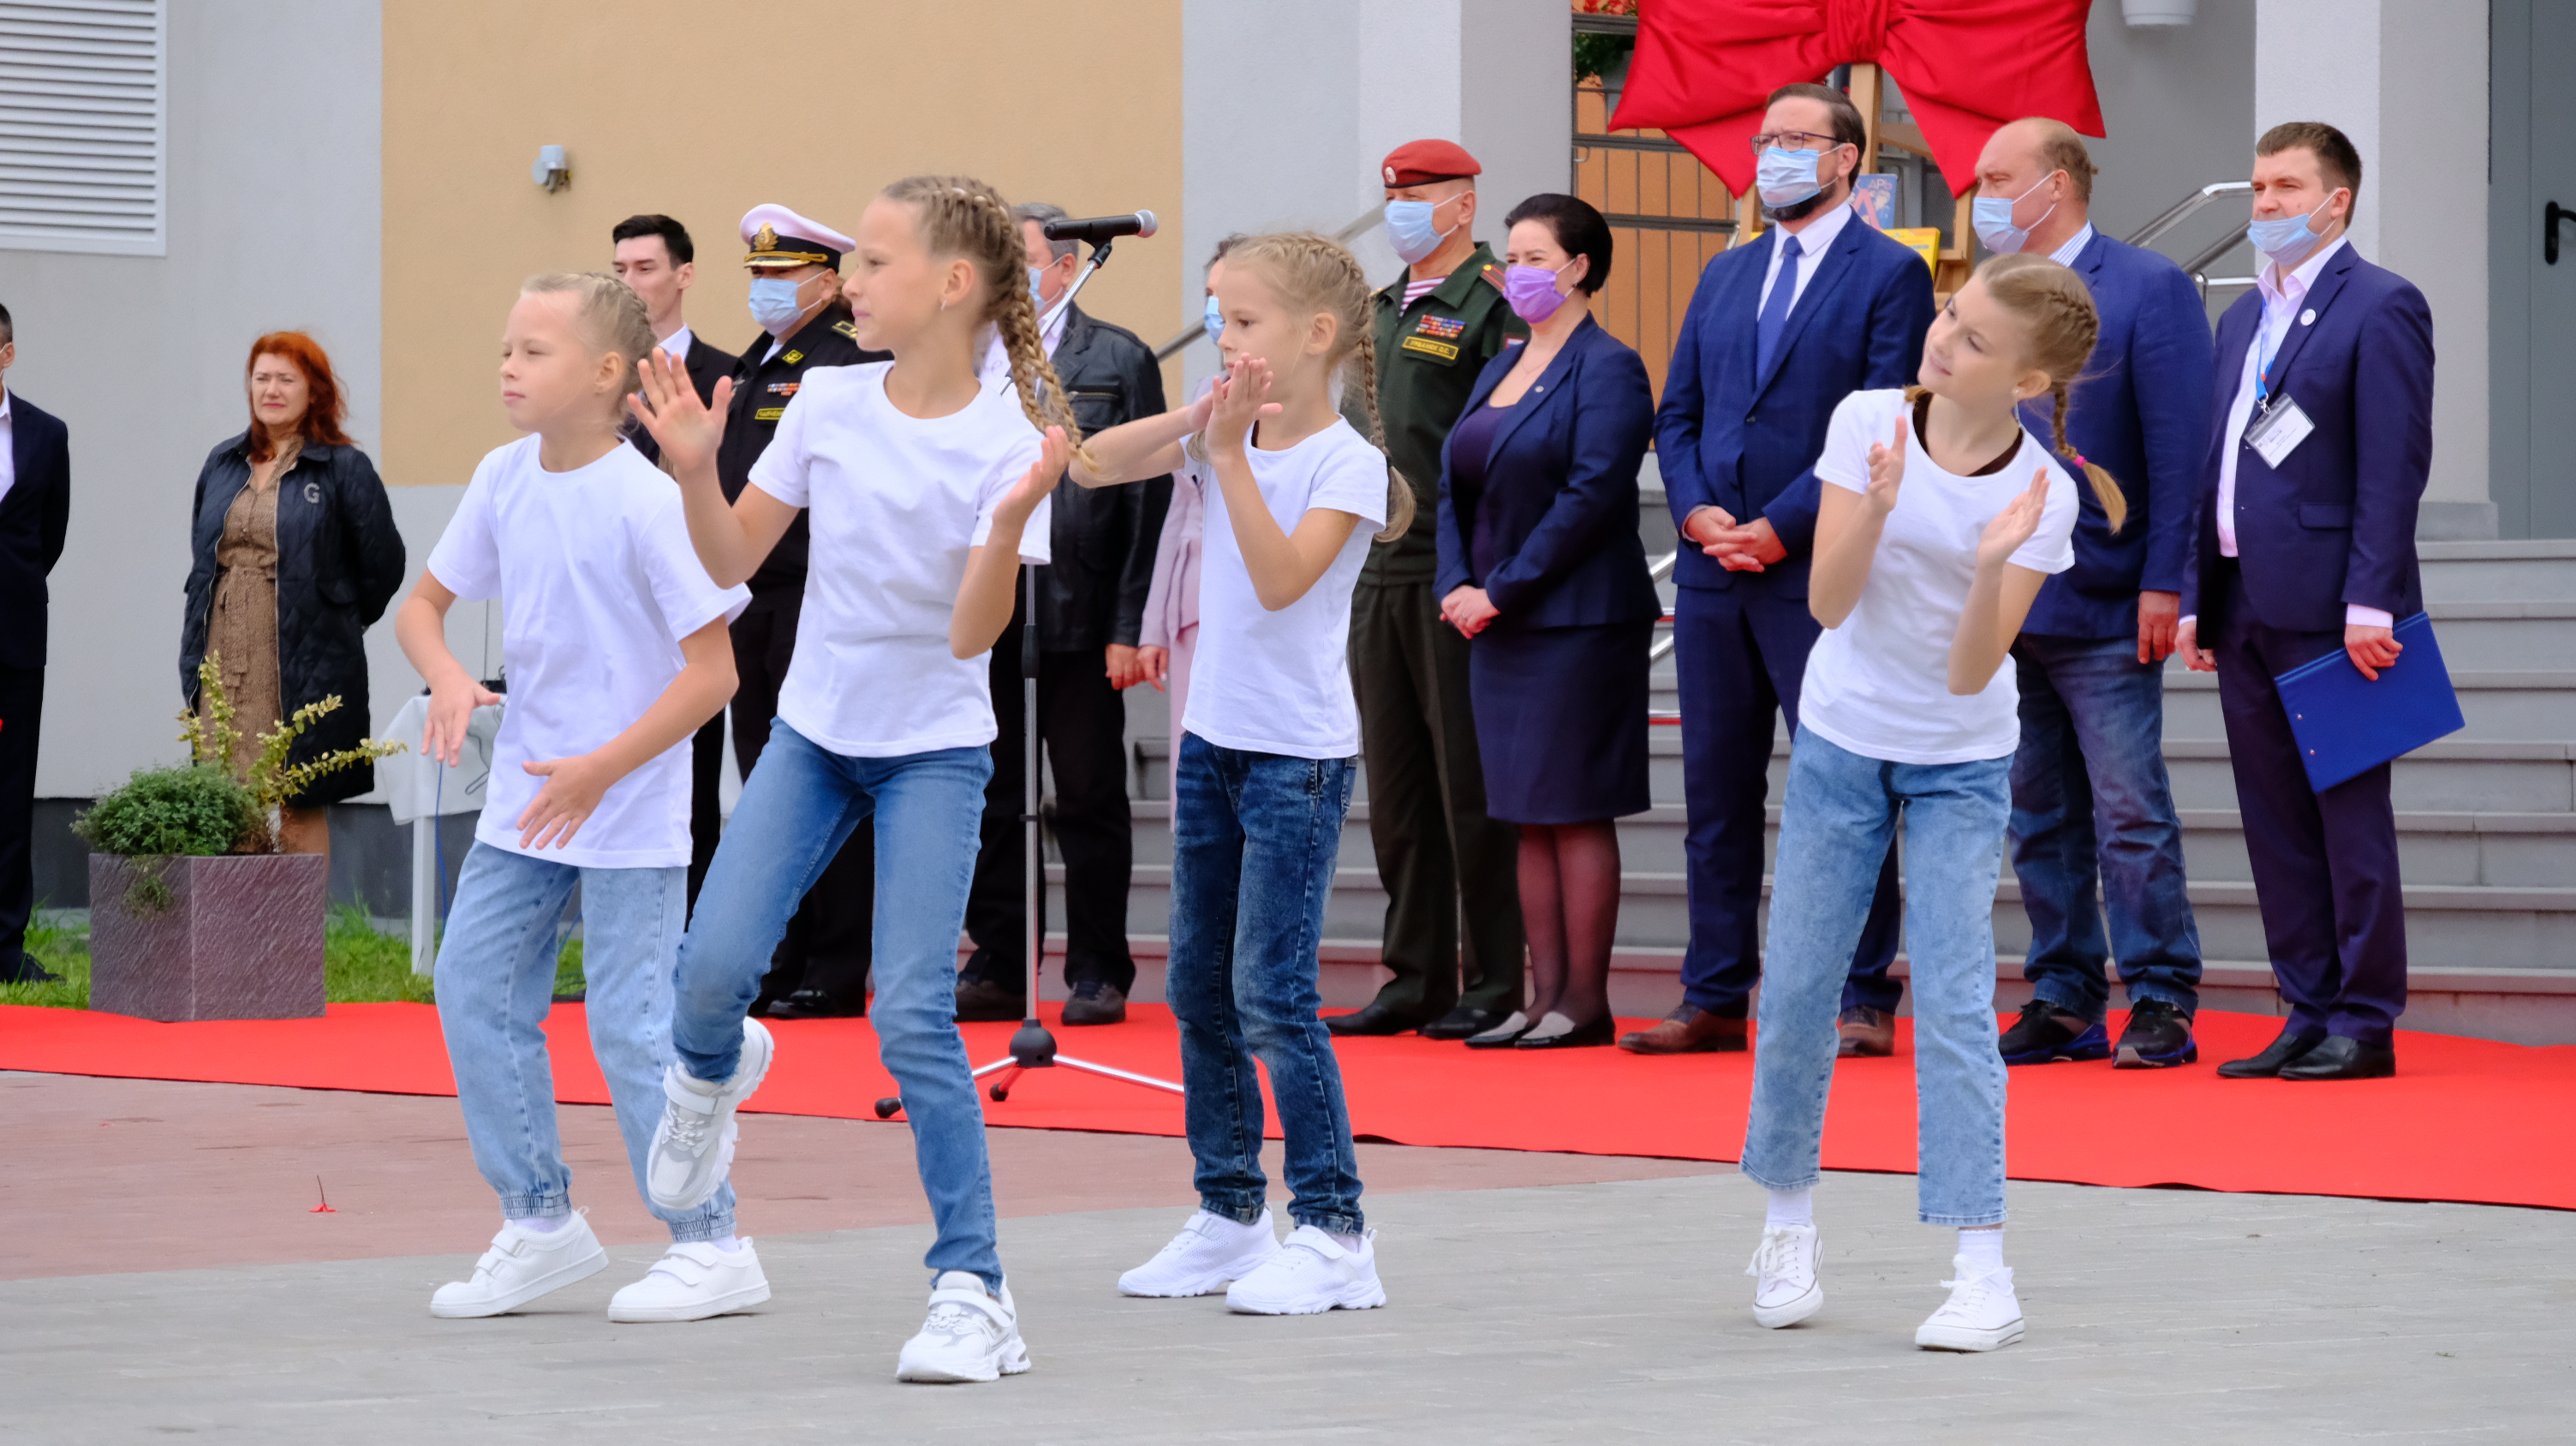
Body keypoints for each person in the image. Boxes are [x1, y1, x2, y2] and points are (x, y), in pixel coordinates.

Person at [633, 173, 1074, 1383]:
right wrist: (693, 468)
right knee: (708, 973)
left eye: (875, 263)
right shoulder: (826, 399)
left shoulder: (1008, 439)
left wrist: (1007, 523)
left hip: (934, 747)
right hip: (815, 735)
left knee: (911, 1013)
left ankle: (974, 1291)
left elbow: (974, 635)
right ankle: (712, 1073)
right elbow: (733, 556)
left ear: (954, 283)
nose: (851, 282)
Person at [1740, 252, 2094, 1355]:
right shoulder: (1865, 422)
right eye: (1949, 315)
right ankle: (1785, 1225)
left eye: (1974, 339)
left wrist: (1989, 564)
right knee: (1797, 984)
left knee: (1951, 999)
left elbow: (1969, 669)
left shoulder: (2043, 496)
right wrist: (1875, 509)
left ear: (2026, 382)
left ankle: (1981, 1269)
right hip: (1841, 737)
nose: (1942, 339)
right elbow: (1824, 601)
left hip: (1960, 758)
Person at [394, 272, 755, 1324]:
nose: (507, 367)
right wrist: (448, 676)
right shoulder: (502, 475)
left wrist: (602, 767)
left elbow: (714, 674)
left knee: (629, 1025)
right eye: (506, 348)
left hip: (628, 810)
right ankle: (540, 1218)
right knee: (471, 986)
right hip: (525, 802)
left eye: (533, 351)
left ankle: (711, 1237)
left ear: (605, 373)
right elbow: (422, 606)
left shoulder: (650, 502)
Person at [1070, 231, 1406, 1314]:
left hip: (1295, 757)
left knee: (1273, 994)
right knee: (1196, 989)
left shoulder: (1344, 462)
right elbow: (1090, 462)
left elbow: (1276, 579)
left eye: (1245, 320)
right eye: (1216, 315)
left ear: (1316, 335)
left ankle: (1335, 1230)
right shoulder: (1225, 432)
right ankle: (1228, 1212)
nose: (1224, 336)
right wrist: (1201, 424)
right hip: (1211, 741)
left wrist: (1223, 458)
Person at [1638, 81, 1935, 1059]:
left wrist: (1783, 524)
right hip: (1712, 570)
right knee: (1716, 796)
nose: (1772, 155)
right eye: (1764, 138)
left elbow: (1891, 417)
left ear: (1846, 158)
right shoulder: (1726, 272)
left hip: (1819, 568)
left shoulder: (1889, 273)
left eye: (1795, 139)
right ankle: (1715, 992)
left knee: (1844, 786)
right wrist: (1694, 511)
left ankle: (1861, 993)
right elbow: (1678, 412)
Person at [2179, 122, 2433, 1084]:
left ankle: (2363, 1019)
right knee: (2273, 819)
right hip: (2242, 597)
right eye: (2256, 187)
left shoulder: (2381, 304)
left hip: (2333, 606)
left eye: (2285, 187)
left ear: (2337, 201)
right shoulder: (2241, 317)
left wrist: (2372, 599)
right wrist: (2199, 594)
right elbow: (2215, 463)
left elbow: (2392, 467)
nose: (2264, 204)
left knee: (2347, 814)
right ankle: (2306, 1007)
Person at [1966, 119, 2214, 1070]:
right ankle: (2064, 995)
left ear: (2058, 182)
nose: (1982, 196)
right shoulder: (1987, 292)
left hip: (2109, 597)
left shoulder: (2146, 286)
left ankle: (2160, 993)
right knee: (2036, 814)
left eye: (1999, 178)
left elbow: (2180, 448)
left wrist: (2167, 580)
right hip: (2007, 603)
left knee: (2128, 810)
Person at [1434, 194, 1658, 1050]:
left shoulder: (1609, 367)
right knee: (1526, 809)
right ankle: (1540, 997)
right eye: (1512, 257)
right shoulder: (1501, 361)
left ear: (1578, 268)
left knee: (1573, 806)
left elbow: (1591, 496)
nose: (1515, 272)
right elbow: (1453, 482)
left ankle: (1583, 1001)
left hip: (1575, 620)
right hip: (1495, 620)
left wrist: (1502, 589)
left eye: (1534, 258)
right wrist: (1456, 581)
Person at [952, 200, 1172, 1029]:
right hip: (990, 606)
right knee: (992, 792)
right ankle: (1003, 959)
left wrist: (1130, 623)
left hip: (1082, 610)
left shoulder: (1116, 356)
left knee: (1086, 795)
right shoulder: (970, 355)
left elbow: (1146, 497)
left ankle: (1097, 968)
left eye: (1017, 259)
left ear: (1066, 265)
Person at [1331, 139, 1529, 1042]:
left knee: (1468, 785)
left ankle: (1492, 975)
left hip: (1454, 565)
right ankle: (1413, 974)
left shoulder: (1492, 300)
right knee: (1399, 786)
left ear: (1463, 204)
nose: (1401, 211)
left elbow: (1505, 437)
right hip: (1376, 561)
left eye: (1420, 196)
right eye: (1393, 197)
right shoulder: (1379, 306)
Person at [716, 204, 888, 1021]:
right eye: (758, 275)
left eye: (781, 274)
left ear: (826, 281)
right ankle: (782, 956)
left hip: (812, 592)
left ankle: (836, 962)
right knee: (765, 781)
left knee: (823, 775)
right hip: (751, 595)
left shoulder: (846, 356)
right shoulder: (762, 356)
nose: (766, 288)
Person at [180, 332, 405, 857]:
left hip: (304, 654)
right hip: (225, 645)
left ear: (314, 390)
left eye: (286, 379)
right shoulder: (223, 462)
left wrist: (334, 617)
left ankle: (297, 915)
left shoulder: (342, 467)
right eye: (262, 378)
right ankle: (240, 913)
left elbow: (383, 564)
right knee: (228, 794)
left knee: (298, 797)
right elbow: (203, 553)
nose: (272, 390)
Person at [611, 213, 742, 915]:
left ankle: (689, 931)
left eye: (646, 268)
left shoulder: (727, 376)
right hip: (613, 600)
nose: (630, 282)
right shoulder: (600, 378)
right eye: (619, 270)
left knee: (693, 777)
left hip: (694, 600)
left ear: (684, 275)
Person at [1135, 236, 1246, 804]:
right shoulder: (1206, 393)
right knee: (1192, 777)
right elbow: (1181, 509)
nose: (1215, 311)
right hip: (1189, 607)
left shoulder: (1297, 401)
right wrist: (1153, 625)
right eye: (1209, 295)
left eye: (1228, 298)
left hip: (1247, 604)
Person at [0, 302, 70, 985]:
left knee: (12, 788)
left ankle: (6, 946)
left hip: (17, 634)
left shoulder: (47, 434)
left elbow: (50, 537)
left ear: (7, 354)